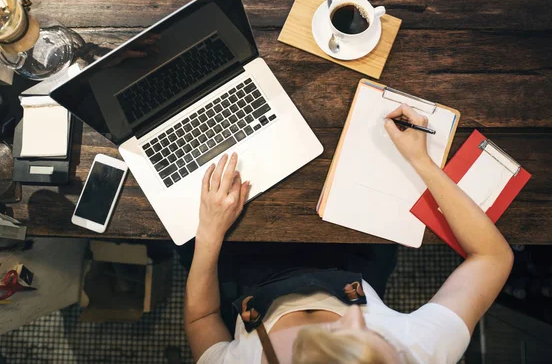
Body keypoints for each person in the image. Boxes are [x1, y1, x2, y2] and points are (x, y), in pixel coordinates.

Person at [183, 104, 514, 364]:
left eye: (337, 331)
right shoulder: (420, 352)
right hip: (354, 259)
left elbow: (203, 318)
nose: (355, 313)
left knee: (182, 234)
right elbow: (492, 258)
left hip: (249, 272)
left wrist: (209, 232)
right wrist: (421, 160)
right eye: (381, 340)